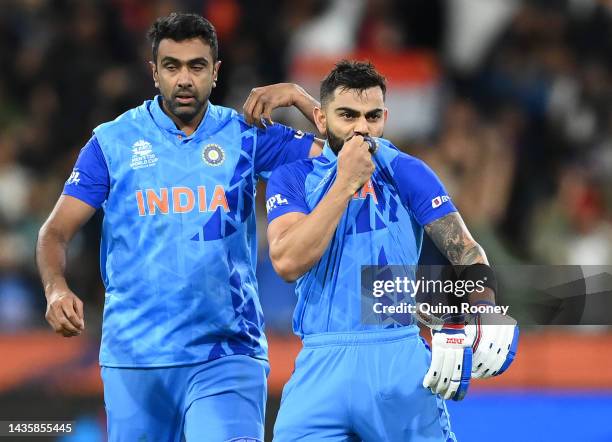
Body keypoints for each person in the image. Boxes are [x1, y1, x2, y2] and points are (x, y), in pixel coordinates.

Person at [36, 12, 322, 442]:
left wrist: (304, 100)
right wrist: (56, 287)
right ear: (154, 73)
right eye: (172, 66)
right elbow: (55, 232)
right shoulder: (112, 143)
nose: (184, 79)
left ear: (215, 72)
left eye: (196, 66)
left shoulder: (247, 135)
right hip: (136, 359)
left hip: (227, 354)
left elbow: (351, 158)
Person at [265, 60, 518, 441]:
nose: (362, 128)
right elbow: (286, 262)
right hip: (320, 363)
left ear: (385, 116)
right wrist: (344, 183)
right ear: (320, 118)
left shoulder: (406, 170)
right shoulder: (294, 177)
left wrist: (485, 311)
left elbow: (465, 251)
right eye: (347, 115)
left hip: (398, 359)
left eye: (372, 116)